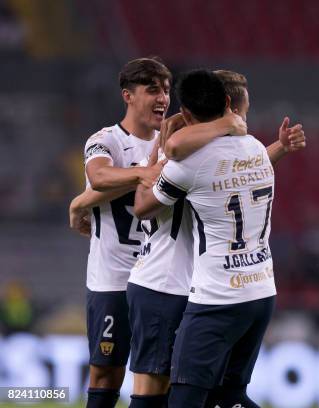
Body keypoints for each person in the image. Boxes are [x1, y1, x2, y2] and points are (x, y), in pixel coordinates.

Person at [68, 57, 246, 408]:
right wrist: (141, 174)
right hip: (113, 279)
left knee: (159, 380)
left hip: (161, 282)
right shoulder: (106, 140)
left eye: (166, 89)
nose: (163, 97)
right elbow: (101, 176)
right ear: (128, 96)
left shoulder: (177, 142)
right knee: (106, 373)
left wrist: (80, 204)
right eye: (152, 90)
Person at [127, 69, 304, 408]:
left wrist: (153, 164)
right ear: (229, 104)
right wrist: (280, 145)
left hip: (217, 298)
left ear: (188, 115)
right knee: (229, 396)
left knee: (184, 399)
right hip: (261, 291)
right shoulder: (254, 147)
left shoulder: (189, 163)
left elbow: (143, 208)